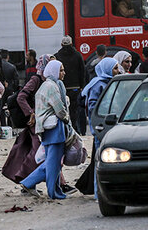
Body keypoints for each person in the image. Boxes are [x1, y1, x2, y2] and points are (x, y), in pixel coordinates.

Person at [20, 60, 69, 200]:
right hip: (55, 130)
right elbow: (59, 109)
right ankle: (52, 192)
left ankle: (30, 183)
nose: (64, 73)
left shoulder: (44, 86)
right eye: (61, 70)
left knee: (52, 162)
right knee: (53, 164)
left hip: (46, 129)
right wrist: (66, 119)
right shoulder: (52, 87)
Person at [2, 54, 51, 183]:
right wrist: (30, 113)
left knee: (38, 152)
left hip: (43, 120)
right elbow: (21, 97)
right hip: (35, 121)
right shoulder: (36, 79)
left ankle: (27, 180)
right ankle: (28, 181)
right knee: (42, 153)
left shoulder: (49, 81)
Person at [81, 57, 120, 199]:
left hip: (111, 128)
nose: (117, 71)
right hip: (102, 129)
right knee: (100, 163)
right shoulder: (99, 84)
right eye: (115, 68)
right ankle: (99, 195)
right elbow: (93, 108)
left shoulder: (110, 83)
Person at [55, 35, 86, 134]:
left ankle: (65, 130)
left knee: (63, 110)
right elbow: (82, 72)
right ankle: (75, 129)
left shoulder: (57, 56)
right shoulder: (77, 55)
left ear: (61, 44)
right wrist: (82, 86)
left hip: (61, 88)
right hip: (75, 88)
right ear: (72, 44)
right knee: (74, 110)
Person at [0, 50, 18, 126]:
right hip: (10, 90)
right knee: (10, 108)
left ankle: (3, 125)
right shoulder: (12, 67)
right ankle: (10, 124)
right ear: (8, 56)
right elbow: (16, 80)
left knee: (1, 109)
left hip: (0, 91)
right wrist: (14, 89)